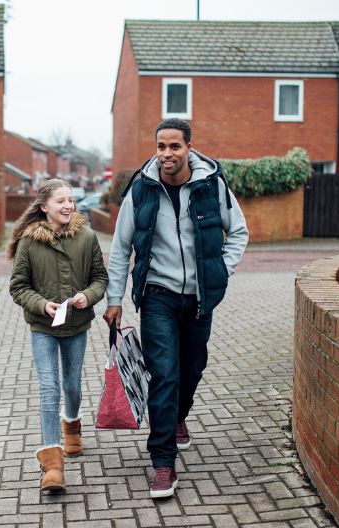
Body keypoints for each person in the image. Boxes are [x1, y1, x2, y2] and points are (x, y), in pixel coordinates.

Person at [102, 118, 249, 499]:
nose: (167, 154)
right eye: (161, 147)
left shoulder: (211, 184)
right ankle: (163, 462)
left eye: (174, 147)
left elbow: (238, 231)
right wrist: (114, 299)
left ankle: (178, 418)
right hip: (158, 295)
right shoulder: (142, 189)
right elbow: (120, 248)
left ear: (188, 148)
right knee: (164, 374)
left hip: (200, 297)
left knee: (193, 368)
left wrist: (221, 268)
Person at [8, 178, 108, 493]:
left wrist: (87, 296)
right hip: (43, 327)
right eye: (60, 201)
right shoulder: (28, 242)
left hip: (77, 325)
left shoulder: (88, 237)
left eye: (70, 200)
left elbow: (100, 278)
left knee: (73, 386)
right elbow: (18, 286)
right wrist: (41, 304)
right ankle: (52, 465)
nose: (67, 206)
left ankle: (72, 427)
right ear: (44, 207)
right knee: (49, 390)